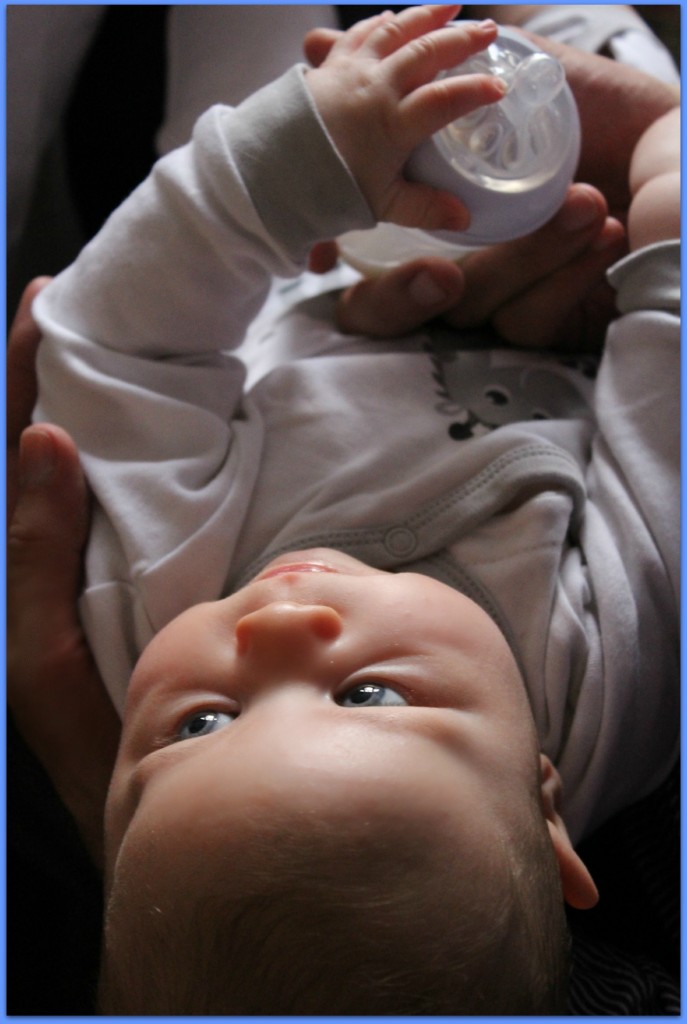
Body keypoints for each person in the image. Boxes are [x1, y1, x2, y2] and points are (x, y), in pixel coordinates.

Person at [10, 5, 679, 1014]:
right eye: (369, 698)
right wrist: (666, 165)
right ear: (545, 803)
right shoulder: (606, 680)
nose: (277, 630)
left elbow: (117, 352)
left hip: (267, 273)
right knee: (571, 46)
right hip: (560, 237)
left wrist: (294, 161)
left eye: (198, 723)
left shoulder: (145, 610)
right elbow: (670, 407)